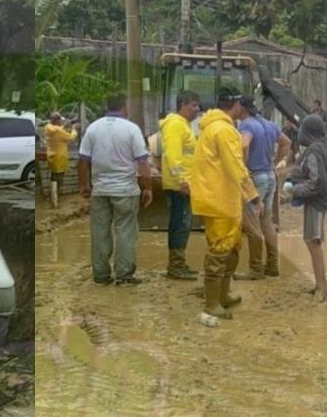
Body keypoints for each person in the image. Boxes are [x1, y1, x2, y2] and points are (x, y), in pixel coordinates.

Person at [188, 87, 256, 325]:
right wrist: (252, 195)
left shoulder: (209, 127)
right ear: (235, 104)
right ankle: (212, 303)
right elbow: (234, 165)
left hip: (216, 197)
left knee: (232, 247)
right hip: (221, 200)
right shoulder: (224, 130)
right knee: (220, 250)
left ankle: (223, 294)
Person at [77, 94, 154, 285]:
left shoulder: (93, 128)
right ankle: (124, 275)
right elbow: (143, 162)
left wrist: (84, 185)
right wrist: (148, 188)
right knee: (125, 232)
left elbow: (83, 161)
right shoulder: (131, 129)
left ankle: (101, 275)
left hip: (100, 191)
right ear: (123, 107)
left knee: (100, 232)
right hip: (126, 191)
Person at [235, 95, 289, 281]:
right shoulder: (269, 124)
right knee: (267, 222)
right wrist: (275, 162)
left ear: (241, 108)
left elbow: (243, 144)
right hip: (270, 176)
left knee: (251, 223)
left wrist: (242, 167)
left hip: (255, 178)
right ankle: (273, 265)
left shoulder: (246, 125)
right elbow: (286, 143)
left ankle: (256, 268)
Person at [284, 113, 327, 302]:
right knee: (312, 241)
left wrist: (295, 189)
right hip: (321, 199)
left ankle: (322, 287)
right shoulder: (324, 147)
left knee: (313, 242)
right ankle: (319, 284)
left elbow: (317, 181)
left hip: (316, 200)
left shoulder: (314, 150)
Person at [160, 91, 201, 280]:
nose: (197, 109)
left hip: (184, 184)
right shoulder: (176, 124)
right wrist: (182, 180)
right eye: (194, 105)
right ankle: (176, 266)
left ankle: (179, 263)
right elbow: (173, 155)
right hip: (179, 185)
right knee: (180, 224)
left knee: (183, 224)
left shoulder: (183, 125)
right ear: (183, 104)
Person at [43, 112, 77, 207]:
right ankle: (55, 199)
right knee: (59, 178)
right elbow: (70, 138)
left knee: (53, 176)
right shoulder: (58, 131)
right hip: (60, 156)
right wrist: (74, 129)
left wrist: (64, 125)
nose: (62, 121)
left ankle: (53, 196)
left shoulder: (48, 127)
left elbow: (58, 130)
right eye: (60, 120)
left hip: (51, 155)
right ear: (57, 120)